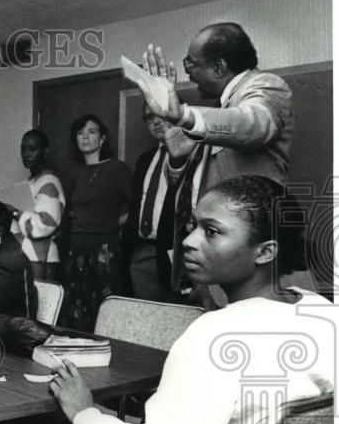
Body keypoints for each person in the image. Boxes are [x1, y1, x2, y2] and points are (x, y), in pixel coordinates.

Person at [0, 175, 334, 424]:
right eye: (194, 227)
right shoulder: (324, 312)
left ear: (265, 251)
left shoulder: (216, 334)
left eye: (212, 232)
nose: (188, 241)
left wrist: (85, 414)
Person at [137, 23, 293, 294]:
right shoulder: (219, 106)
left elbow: (254, 123)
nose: (188, 73)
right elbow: (193, 182)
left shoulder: (264, 85)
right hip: (210, 252)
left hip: (243, 256)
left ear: (219, 67)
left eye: (191, 63)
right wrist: (177, 159)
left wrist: (183, 114)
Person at [60, 114, 134, 332]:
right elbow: (70, 212)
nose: (85, 137)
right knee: (76, 311)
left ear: (102, 139)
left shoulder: (117, 169)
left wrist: (113, 223)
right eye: (80, 133)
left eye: (91, 132)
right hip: (76, 251)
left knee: (105, 311)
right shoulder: (74, 173)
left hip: (105, 250)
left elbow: (138, 209)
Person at [121, 104, 178, 302]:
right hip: (142, 251)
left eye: (162, 115)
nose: (155, 121)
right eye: (149, 117)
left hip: (175, 252)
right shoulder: (145, 160)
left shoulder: (193, 155)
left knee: (177, 315)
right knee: (144, 316)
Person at [12, 129, 66, 282]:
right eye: (23, 148)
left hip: (41, 259)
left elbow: (46, 224)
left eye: (32, 149)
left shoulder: (49, 182)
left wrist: (15, 213)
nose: (26, 153)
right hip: (28, 255)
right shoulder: (31, 182)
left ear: (45, 151)